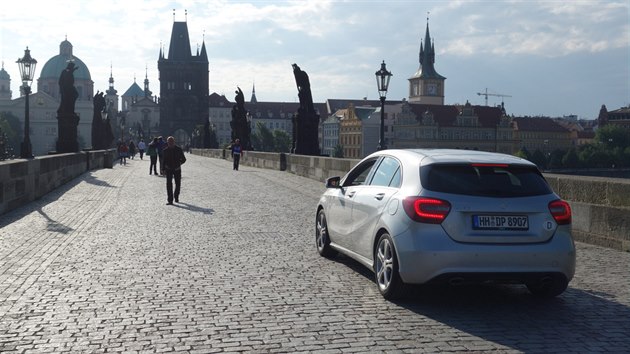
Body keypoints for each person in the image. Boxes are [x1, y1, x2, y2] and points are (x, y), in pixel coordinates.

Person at [163, 136, 186, 205]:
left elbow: (184, 159)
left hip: (177, 169)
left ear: (174, 142)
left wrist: (179, 164)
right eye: (169, 142)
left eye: (171, 142)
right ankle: (170, 200)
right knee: (169, 184)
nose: (170, 143)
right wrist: (163, 169)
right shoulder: (165, 151)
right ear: (167, 142)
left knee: (178, 184)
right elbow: (163, 161)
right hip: (169, 169)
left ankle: (176, 196)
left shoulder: (179, 149)